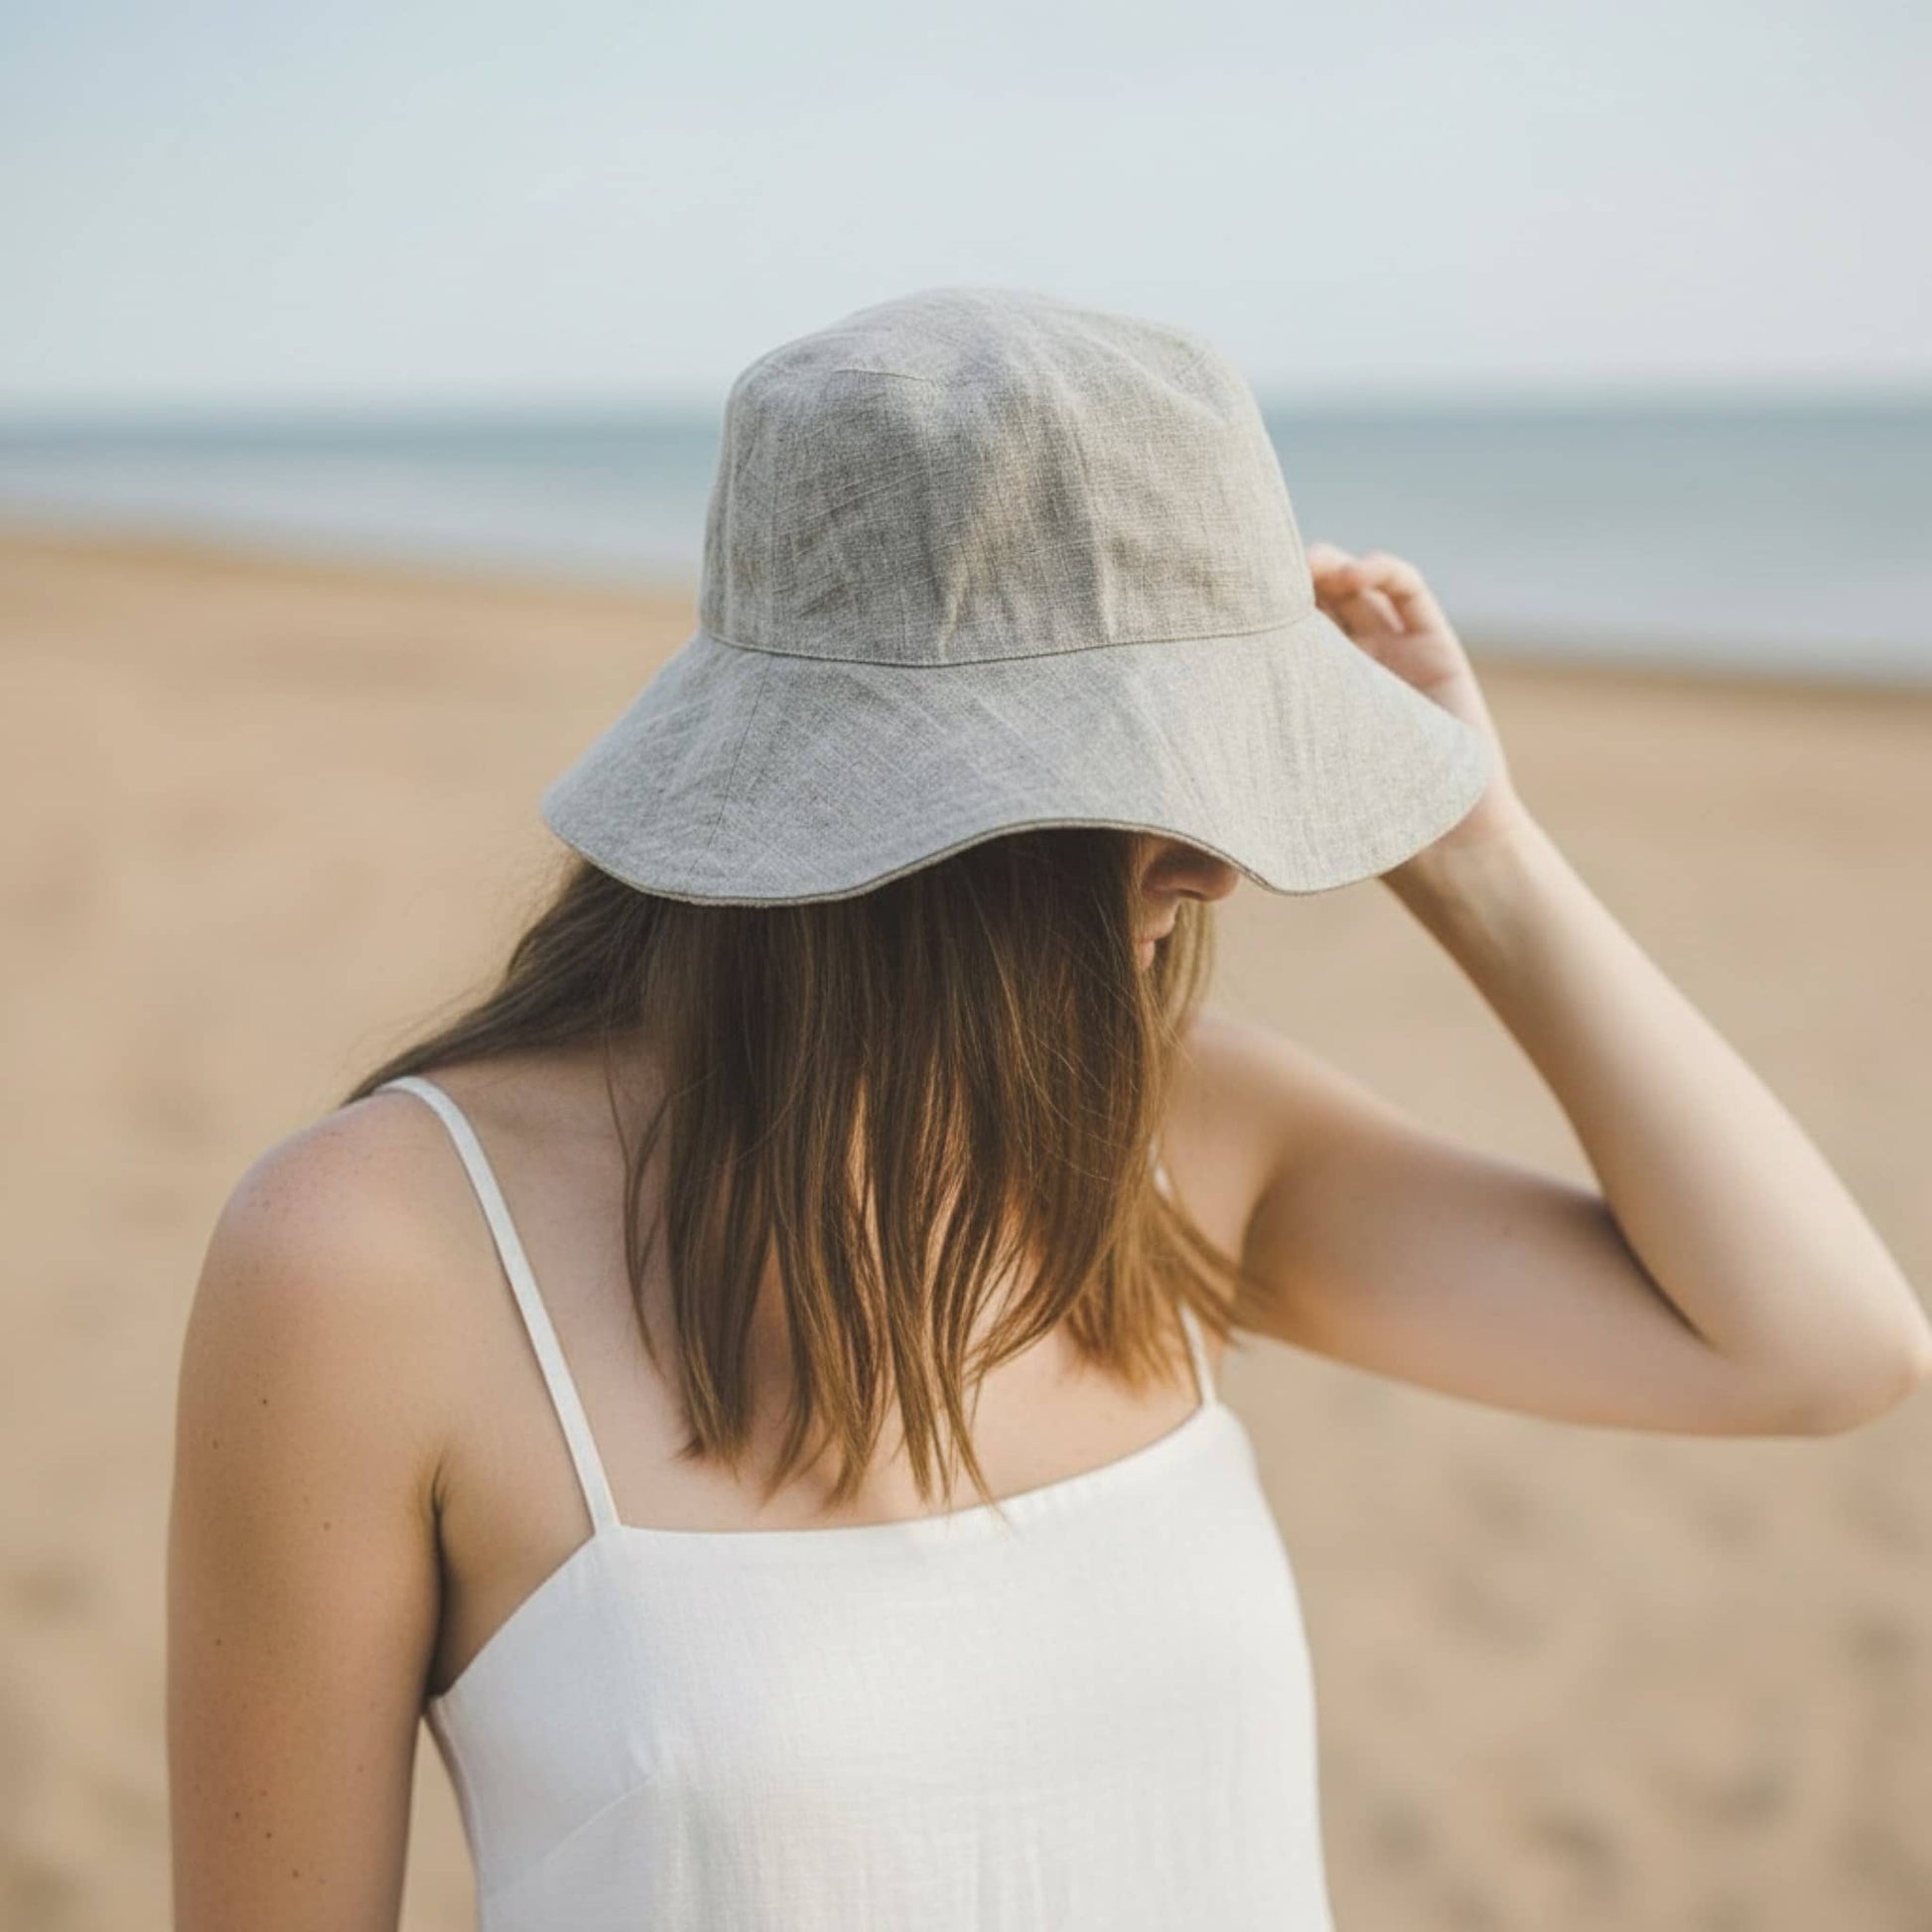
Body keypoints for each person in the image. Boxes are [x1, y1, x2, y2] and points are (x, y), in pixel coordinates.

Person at [167, 287, 1932, 1931]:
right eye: (1148, 783)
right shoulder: (373, 1255)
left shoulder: (1165, 1143)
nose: (1219, 866)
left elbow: (1818, 1348)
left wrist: (1480, 854)